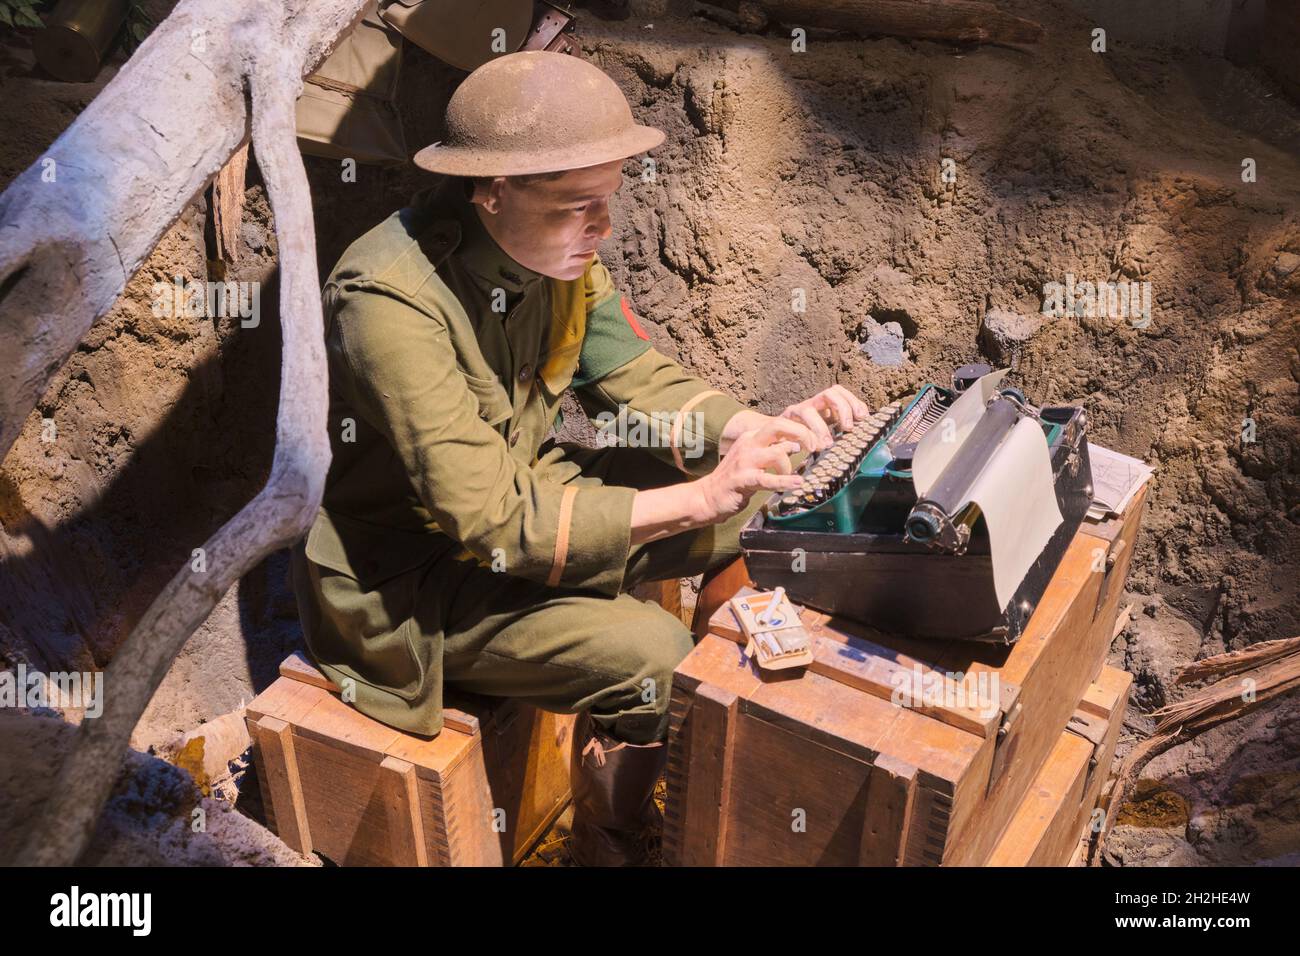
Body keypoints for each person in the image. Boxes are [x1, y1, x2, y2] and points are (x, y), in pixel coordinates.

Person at [290, 50, 871, 865]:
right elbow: (488, 519)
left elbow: (629, 373)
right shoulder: (388, 301)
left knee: (750, 500)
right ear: (489, 190)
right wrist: (696, 501)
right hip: (413, 579)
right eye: (576, 207)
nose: (600, 228)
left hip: (524, 502)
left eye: (607, 200)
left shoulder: (547, 252)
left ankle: (728, 694)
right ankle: (609, 833)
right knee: (652, 660)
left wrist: (751, 432)